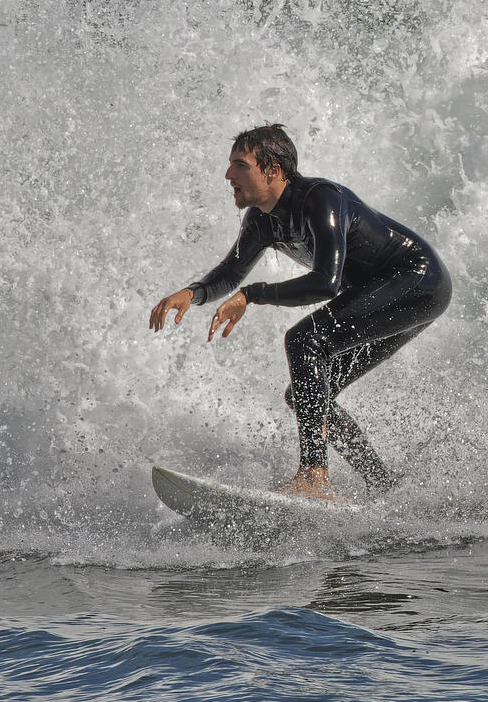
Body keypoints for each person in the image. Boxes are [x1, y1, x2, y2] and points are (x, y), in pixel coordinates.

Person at [150, 124, 452, 500]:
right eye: (231, 165)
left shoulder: (320, 200)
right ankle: (385, 488)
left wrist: (253, 295)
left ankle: (314, 475)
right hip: (387, 294)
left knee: (305, 340)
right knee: (306, 394)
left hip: (417, 281)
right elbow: (230, 273)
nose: (229, 175)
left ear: (273, 170)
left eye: (240, 165)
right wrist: (191, 293)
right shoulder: (262, 220)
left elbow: (326, 282)